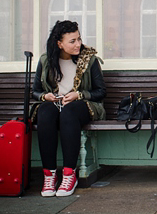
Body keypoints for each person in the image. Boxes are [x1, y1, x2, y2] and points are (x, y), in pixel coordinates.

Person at [31, 20, 106, 197]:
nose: (78, 44)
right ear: (60, 43)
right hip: (54, 104)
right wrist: (45, 97)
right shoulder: (46, 60)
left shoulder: (89, 60)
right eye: (72, 41)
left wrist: (78, 95)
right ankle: (49, 175)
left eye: (79, 39)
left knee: (68, 111)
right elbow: (35, 91)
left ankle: (69, 174)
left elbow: (101, 92)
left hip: (83, 106)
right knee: (45, 111)